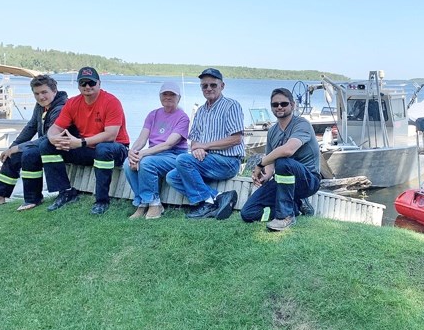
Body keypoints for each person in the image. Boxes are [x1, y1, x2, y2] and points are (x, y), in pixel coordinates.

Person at [40, 66, 130, 215]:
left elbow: (111, 135)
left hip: (116, 149)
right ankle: (66, 192)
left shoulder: (111, 102)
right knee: (46, 145)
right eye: (83, 83)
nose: (87, 86)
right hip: (88, 148)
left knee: (103, 148)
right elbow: (55, 127)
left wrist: (80, 142)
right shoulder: (73, 103)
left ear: (99, 84)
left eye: (91, 83)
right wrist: (53, 137)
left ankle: (102, 201)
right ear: (78, 85)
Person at [0, 75, 69, 210]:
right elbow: (30, 127)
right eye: (36, 94)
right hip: (44, 144)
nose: (40, 97)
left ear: (54, 91)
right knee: (13, 154)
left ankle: (33, 199)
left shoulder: (61, 108)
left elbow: (50, 137)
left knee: (29, 154)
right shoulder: (40, 106)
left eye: (44, 92)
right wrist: (13, 147)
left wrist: (19, 148)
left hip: (59, 147)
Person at [165, 68, 243, 220]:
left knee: (182, 160)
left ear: (222, 86)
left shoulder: (231, 106)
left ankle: (206, 204)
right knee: (172, 177)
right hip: (206, 160)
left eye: (213, 85)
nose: (208, 89)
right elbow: (194, 140)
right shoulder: (200, 111)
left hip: (228, 162)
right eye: (204, 86)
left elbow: (236, 139)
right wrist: (196, 148)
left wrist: (204, 146)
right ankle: (218, 197)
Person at [240, 87, 321, 231]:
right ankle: (294, 208)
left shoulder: (302, 124)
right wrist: (265, 176)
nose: (279, 107)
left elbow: (288, 150)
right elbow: (271, 163)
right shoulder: (272, 132)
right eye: (275, 104)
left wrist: (260, 164)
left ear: (292, 105)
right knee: (248, 212)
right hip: (283, 180)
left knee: (284, 162)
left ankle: (285, 217)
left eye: (284, 104)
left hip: (308, 181)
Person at [124, 81, 190, 220]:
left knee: (147, 163)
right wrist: (133, 152)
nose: (168, 97)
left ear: (179, 98)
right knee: (126, 163)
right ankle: (142, 203)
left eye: (172, 94)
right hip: (154, 154)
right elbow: (142, 139)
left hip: (174, 155)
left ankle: (155, 203)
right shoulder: (153, 115)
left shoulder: (182, 117)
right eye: (165, 94)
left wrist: (142, 154)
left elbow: (169, 144)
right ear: (160, 96)